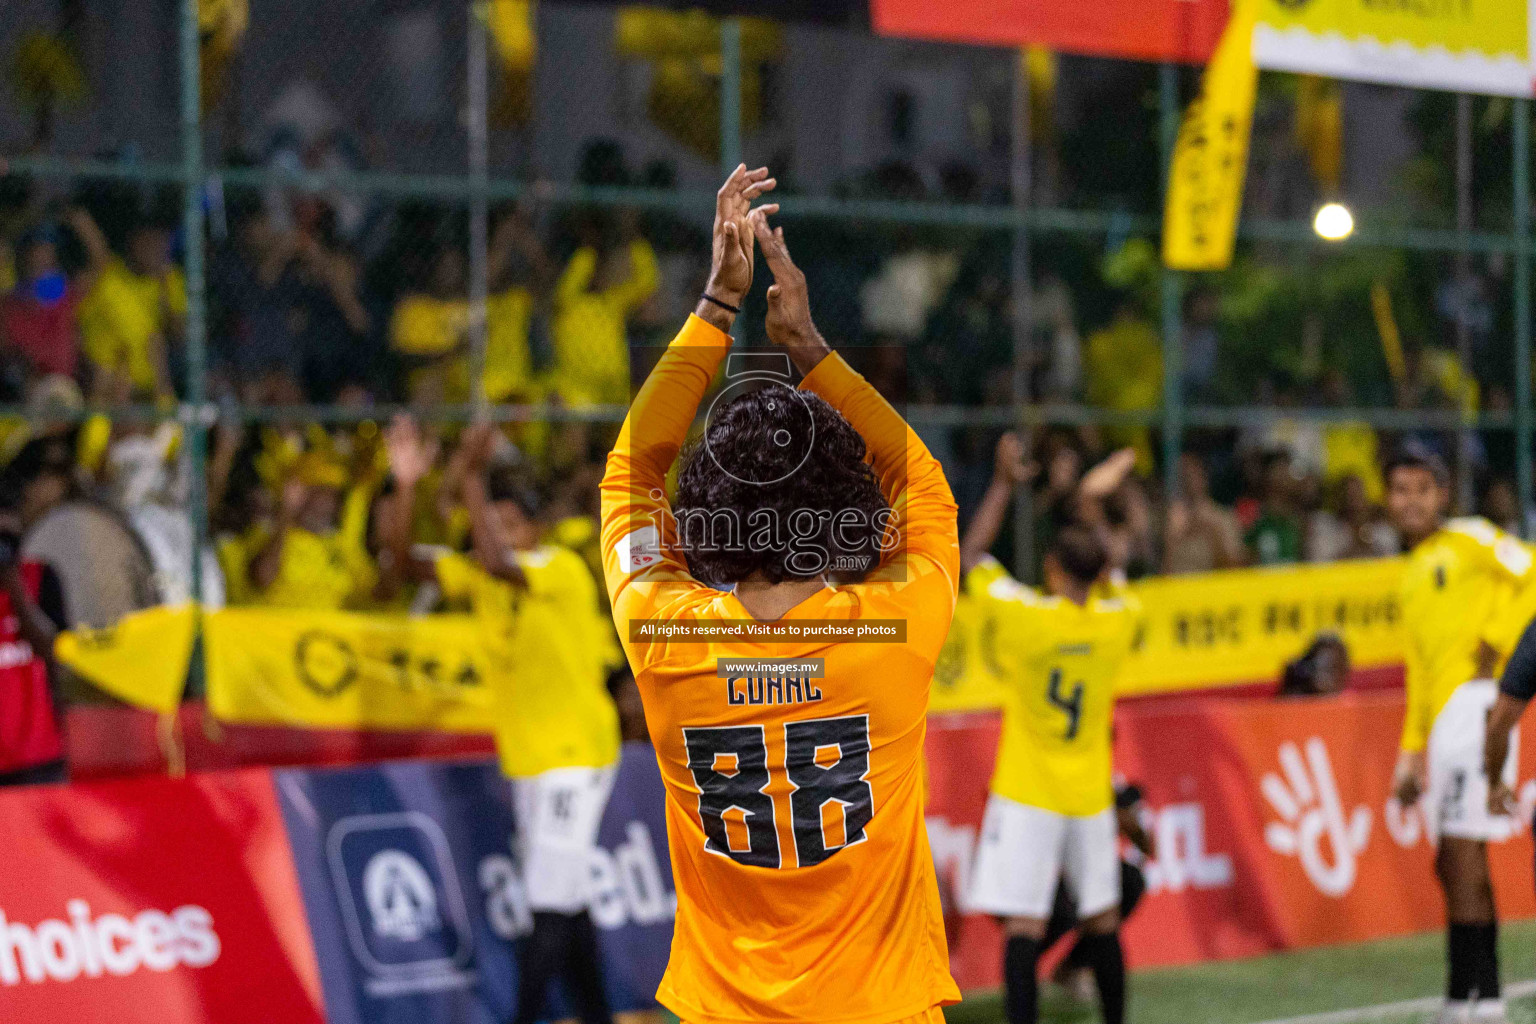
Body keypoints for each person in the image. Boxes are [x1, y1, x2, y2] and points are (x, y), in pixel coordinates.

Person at [599, 166, 961, 1024]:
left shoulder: (664, 634)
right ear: (840, 514)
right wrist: (807, 347)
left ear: (705, 518)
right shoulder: (892, 628)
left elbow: (630, 474)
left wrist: (715, 307)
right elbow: (924, 489)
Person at [382, 415, 621, 1024]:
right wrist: (407, 485)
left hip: (576, 755)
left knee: (546, 901)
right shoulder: (489, 574)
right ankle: (596, 1012)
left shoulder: (559, 568)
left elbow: (495, 562)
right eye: (491, 525)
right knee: (565, 895)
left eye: (510, 524)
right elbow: (402, 567)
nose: (497, 533)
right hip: (529, 758)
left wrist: (470, 476)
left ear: (533, 530)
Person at [960, 438, 1141, 1024]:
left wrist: (1004, 484)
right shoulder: (1117, 623)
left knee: (1024, 926)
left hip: (1028, 794)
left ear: (1051, 569)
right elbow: (1114, 566)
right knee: (1103, 920)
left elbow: (973, 556)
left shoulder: (1028, 619)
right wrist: (1095, 501)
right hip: (1088, 797)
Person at [1385, 446, 1536, 1024]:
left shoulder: (1470, 536)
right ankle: (1462, 997)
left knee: (1464, 857)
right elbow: (1418, 672)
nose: (1412, 500)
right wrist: (1409, 753)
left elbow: (1529, 572)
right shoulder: (1411, 572)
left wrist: (1497, 638)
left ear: (1443, 493)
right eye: (1401, 489)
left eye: (1423, 488)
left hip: (1478, 707)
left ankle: (1485, 1001)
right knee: (1450, 863)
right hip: (1441, 723)